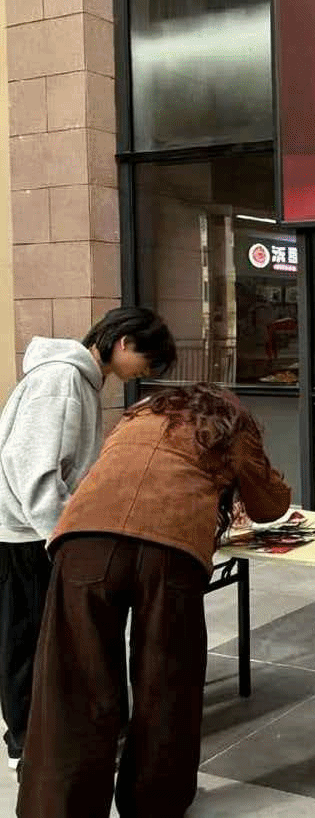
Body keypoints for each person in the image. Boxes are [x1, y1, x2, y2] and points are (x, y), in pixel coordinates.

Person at [16, 383, 291, 818]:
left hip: (84, 541)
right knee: (166, 681)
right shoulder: (229, 424)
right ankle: (154, 804)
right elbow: (270, 505)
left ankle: (57, 808)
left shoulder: (136, 417)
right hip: (169, 549)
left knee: (72, 684)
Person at [0, 306, 175, 773]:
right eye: (148, 360)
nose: (147, 372)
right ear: (123, 342)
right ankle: (26, 743)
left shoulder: (79, 380)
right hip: (24, 533)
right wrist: (61, 538)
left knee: (41, 635)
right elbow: (33, 471)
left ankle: (42, 733)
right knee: (28, 638)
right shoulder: (61, 379)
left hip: (34, 529)